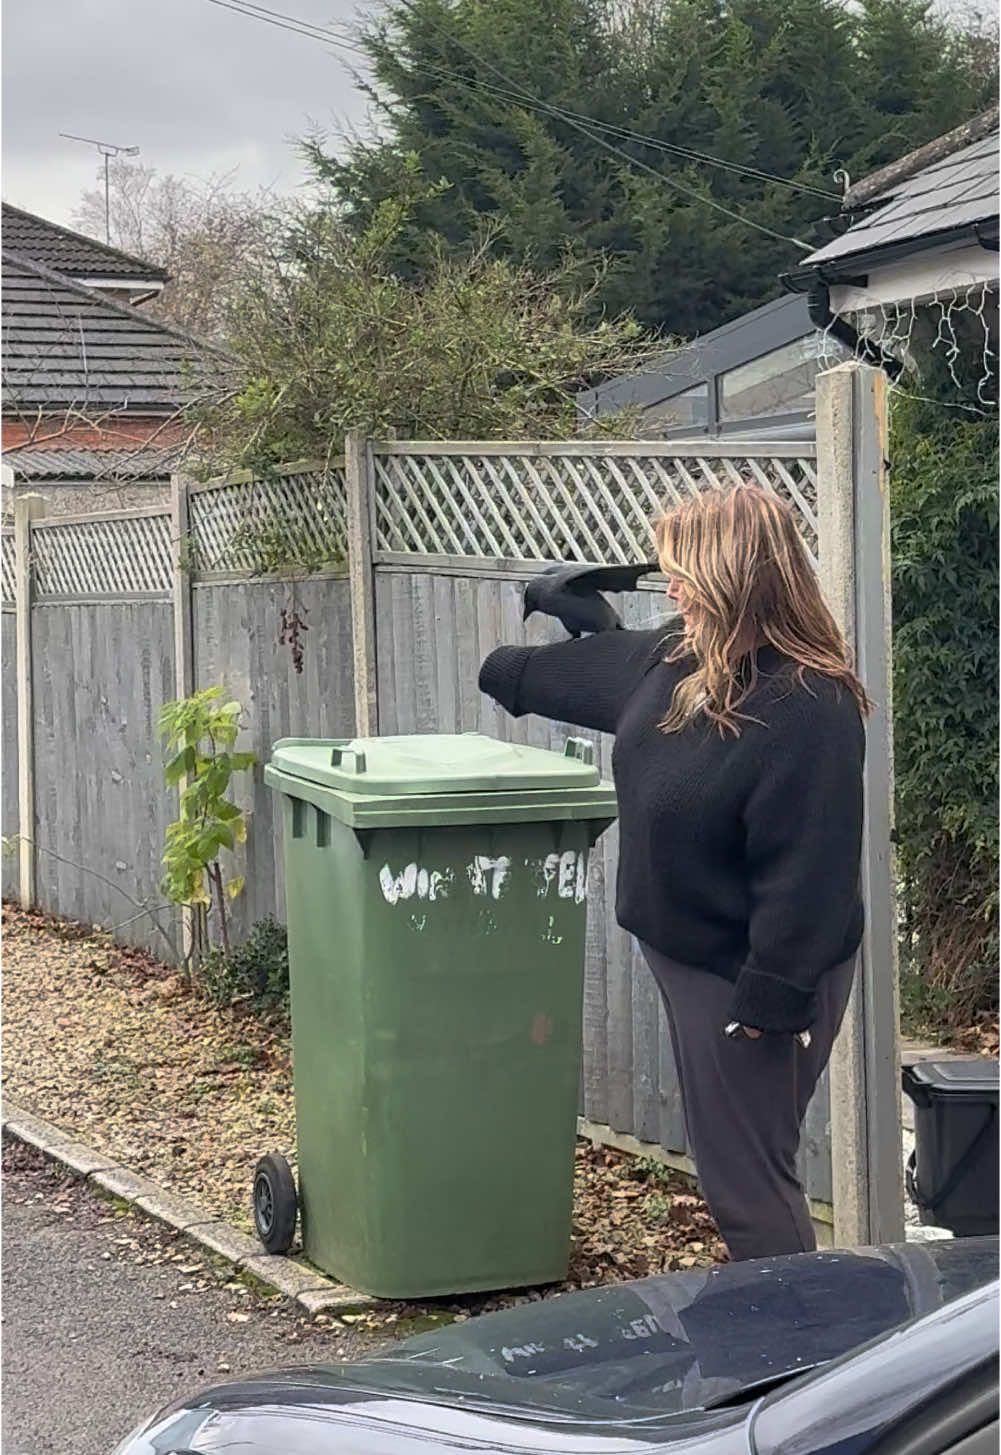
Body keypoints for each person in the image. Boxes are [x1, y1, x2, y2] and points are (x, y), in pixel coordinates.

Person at [478, 485, 869, 1262]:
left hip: (753, 976)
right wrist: (513, 664)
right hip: (687, 956)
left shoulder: (807, 703)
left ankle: (804, 1362)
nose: (673, 586)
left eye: (684, 571)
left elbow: (812, 876)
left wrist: (771, 1001)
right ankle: (780, 1343)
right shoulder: (679, 661)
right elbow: (560, 674)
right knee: (737, 1169)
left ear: (735, 574)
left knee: (748, 1185)